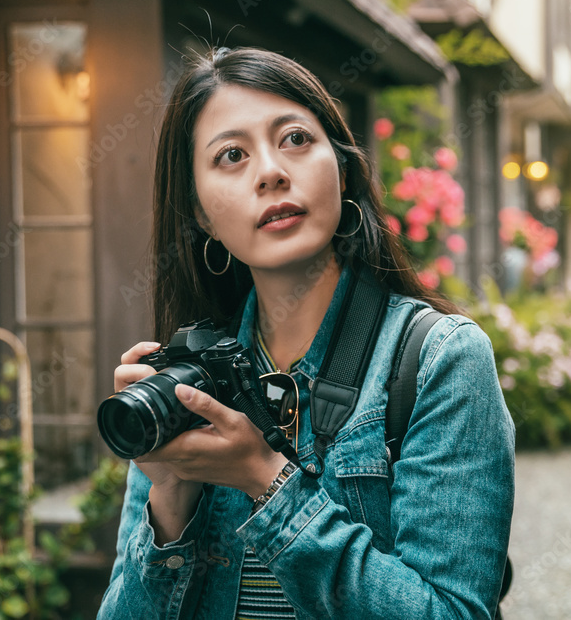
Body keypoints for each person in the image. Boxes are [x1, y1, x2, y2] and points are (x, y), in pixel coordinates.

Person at [98, 46, 515, 619]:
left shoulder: (439, 360)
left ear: (341, 169)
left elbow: (452, 612)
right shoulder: (187, 388)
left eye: (294, 138)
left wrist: (265, 482)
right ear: (200, 213)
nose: (270, 171)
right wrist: (169, 503)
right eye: (232, 155)